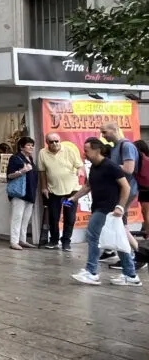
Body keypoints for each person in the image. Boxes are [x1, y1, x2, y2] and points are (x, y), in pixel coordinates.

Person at [70, 138, 141, 286]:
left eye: (87, 151)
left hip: (108, 209)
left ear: (97, 150)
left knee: (92, 235)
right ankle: (130, 274)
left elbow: (126, 187)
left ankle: (91, 272)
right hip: (99, 207)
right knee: (119, 241)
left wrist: (120, 207)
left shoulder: (111, 166)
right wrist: (74, 198)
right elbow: (88, 186)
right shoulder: (94, 167)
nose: (85, 154)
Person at [99, 122, 140, 262]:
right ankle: (130, 254)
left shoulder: (126, 146)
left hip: (127, 190)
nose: (103, 136)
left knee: (118, 222)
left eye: (104, 132)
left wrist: (108, 165)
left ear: (114, 129)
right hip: (121, 190)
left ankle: (138, 253)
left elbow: (129, 168)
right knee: (119, 222)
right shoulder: (116, 147)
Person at [38, 132, 81, 251]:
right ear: (47, 143)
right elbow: (42, 172)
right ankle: (54, 240)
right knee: (53, 217)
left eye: (56, 141)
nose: (54, 144)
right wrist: (43, 187)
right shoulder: (42, 153)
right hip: (54, 192)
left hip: (70, 192)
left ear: (60, 140)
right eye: (51, 142)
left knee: (69, 217)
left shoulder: (69, 150)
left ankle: (66, 241)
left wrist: (80, 171)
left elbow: (79, 165)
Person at [6, 137, 38, 250]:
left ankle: (22, 240)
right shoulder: (15, 158)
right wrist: (22, 171)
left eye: (32, 145)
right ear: (21, 146)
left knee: (26, 218)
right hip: (20, 193)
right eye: (29, 145)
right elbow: (9, 175)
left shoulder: (30, 158)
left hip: (30, 192)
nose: (31, 147)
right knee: (17, 217)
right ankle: (14, 241)